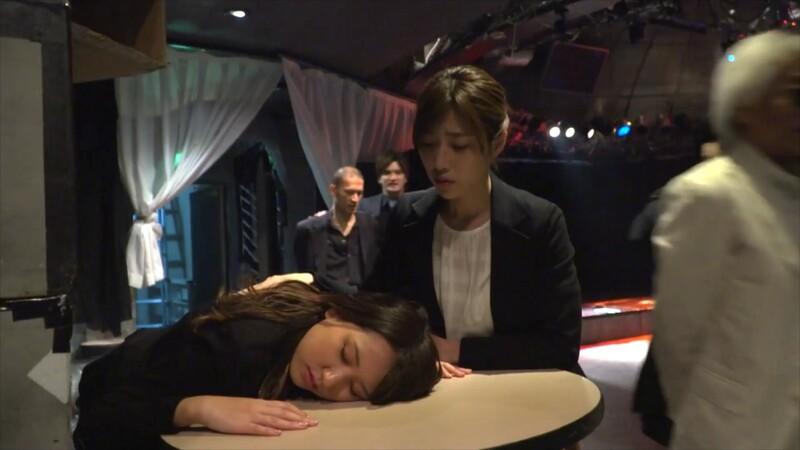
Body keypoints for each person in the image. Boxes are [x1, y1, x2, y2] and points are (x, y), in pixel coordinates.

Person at [366, 65, 583, 377]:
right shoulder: (407, 217)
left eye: (459, 146)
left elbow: (561, 345)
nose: (439, 162)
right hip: (437, 389)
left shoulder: (538, 222)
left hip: (523, 387)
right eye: (428, 145)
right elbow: (378, 307)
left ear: (497, 143)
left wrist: (453, 350)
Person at [73, 279, 440, 450]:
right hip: (111, 390)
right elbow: (101, 419)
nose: (330, 379)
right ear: (337, 313)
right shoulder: (237, 346)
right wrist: (195, 407)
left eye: (354, 388)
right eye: (346, 354)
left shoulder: (316, 317)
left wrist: (422, 364)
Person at [651, 31, 799, 449]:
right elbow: (678, 339)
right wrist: (711, 422)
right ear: (746, 107)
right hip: (730, 435)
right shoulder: (709, 194)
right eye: (795, 96)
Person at [294, 166, 379, 294]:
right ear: (333, 190)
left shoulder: (370, 225)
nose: (355, 199)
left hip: (363, 300)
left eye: (359, 193)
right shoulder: (310, 230)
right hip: (326, 299)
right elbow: (306, 273)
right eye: (349, 192)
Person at [359, 150, 409, 221]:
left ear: (406, 177)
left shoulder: (417, 206)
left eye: (398, 172)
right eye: (387, 173)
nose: (393, 178)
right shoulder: (364, 206)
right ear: (379, 178)